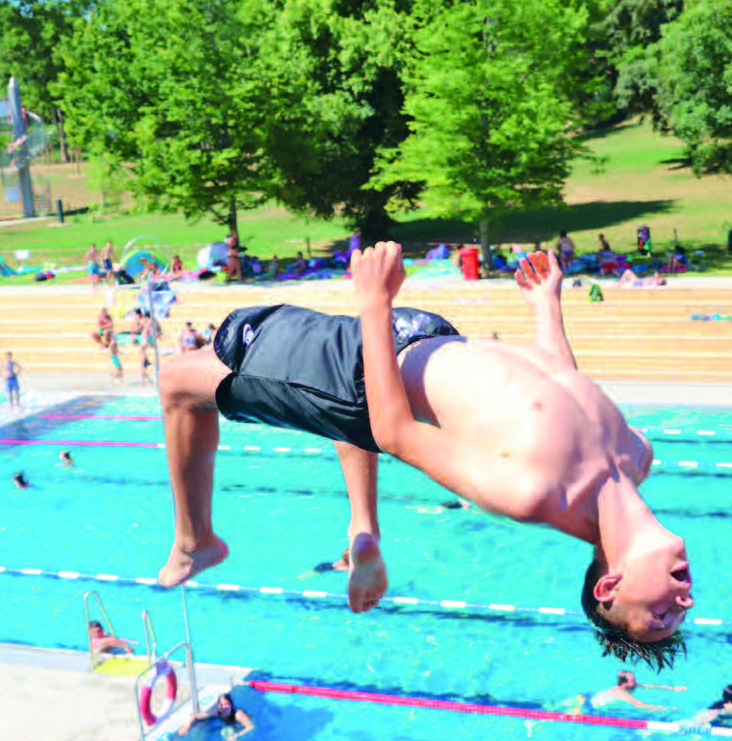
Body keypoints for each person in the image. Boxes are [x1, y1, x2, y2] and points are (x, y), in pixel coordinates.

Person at [155, 242, 693, 667]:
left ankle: (195, 541)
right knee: (344, 420)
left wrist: (372, 303)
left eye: (660, 615)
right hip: (428, 333)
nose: (682, 603)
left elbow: (392, 430)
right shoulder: (635, 457)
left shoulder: (537, 493)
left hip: (359, 371)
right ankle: (362, 528)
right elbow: (563, 384)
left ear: (610, 585)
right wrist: (545, 307)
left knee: (179, 382)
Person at [571, 669, 687, 713]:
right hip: (589, 707)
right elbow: (642, 706)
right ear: (624, 683)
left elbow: (649, 686)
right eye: (633, 680)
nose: (636, 682)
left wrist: (673, 688)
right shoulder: (624, 694)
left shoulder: (626, 686)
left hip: (586, 696)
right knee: (565, 715)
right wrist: (666, 709)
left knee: (556, 705)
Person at [176, 691, 255, 741]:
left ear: (231, 704)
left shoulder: (238, 715)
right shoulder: (218, 712)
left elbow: (251, 727)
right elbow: (195, 716)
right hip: (228, 725)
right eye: (221, 704)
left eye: (226, 704)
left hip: (241, 724)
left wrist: (236, 736)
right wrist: (187, 727)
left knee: (230, 737)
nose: (224, 707)